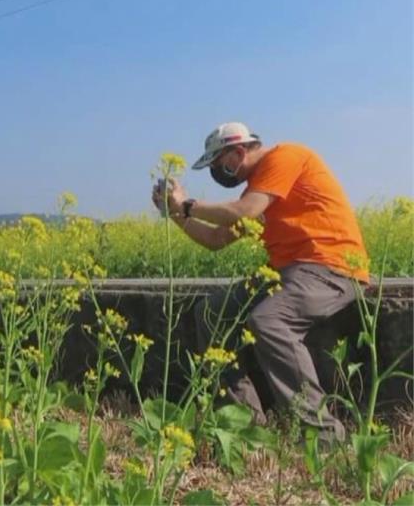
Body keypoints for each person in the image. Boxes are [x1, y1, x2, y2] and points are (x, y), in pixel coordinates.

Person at [152, 121, 369, 444]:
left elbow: (244, 211)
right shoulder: (260, 188)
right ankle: (244, 424)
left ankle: (323, 437)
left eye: (217, 163)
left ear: (238, 152)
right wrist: (174, 214)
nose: (216, 171)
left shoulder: (285, 158)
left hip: (331, 268)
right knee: (211, 313)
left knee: (268, 320)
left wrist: (187, 205)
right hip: (290, 273)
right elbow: (215, 239)